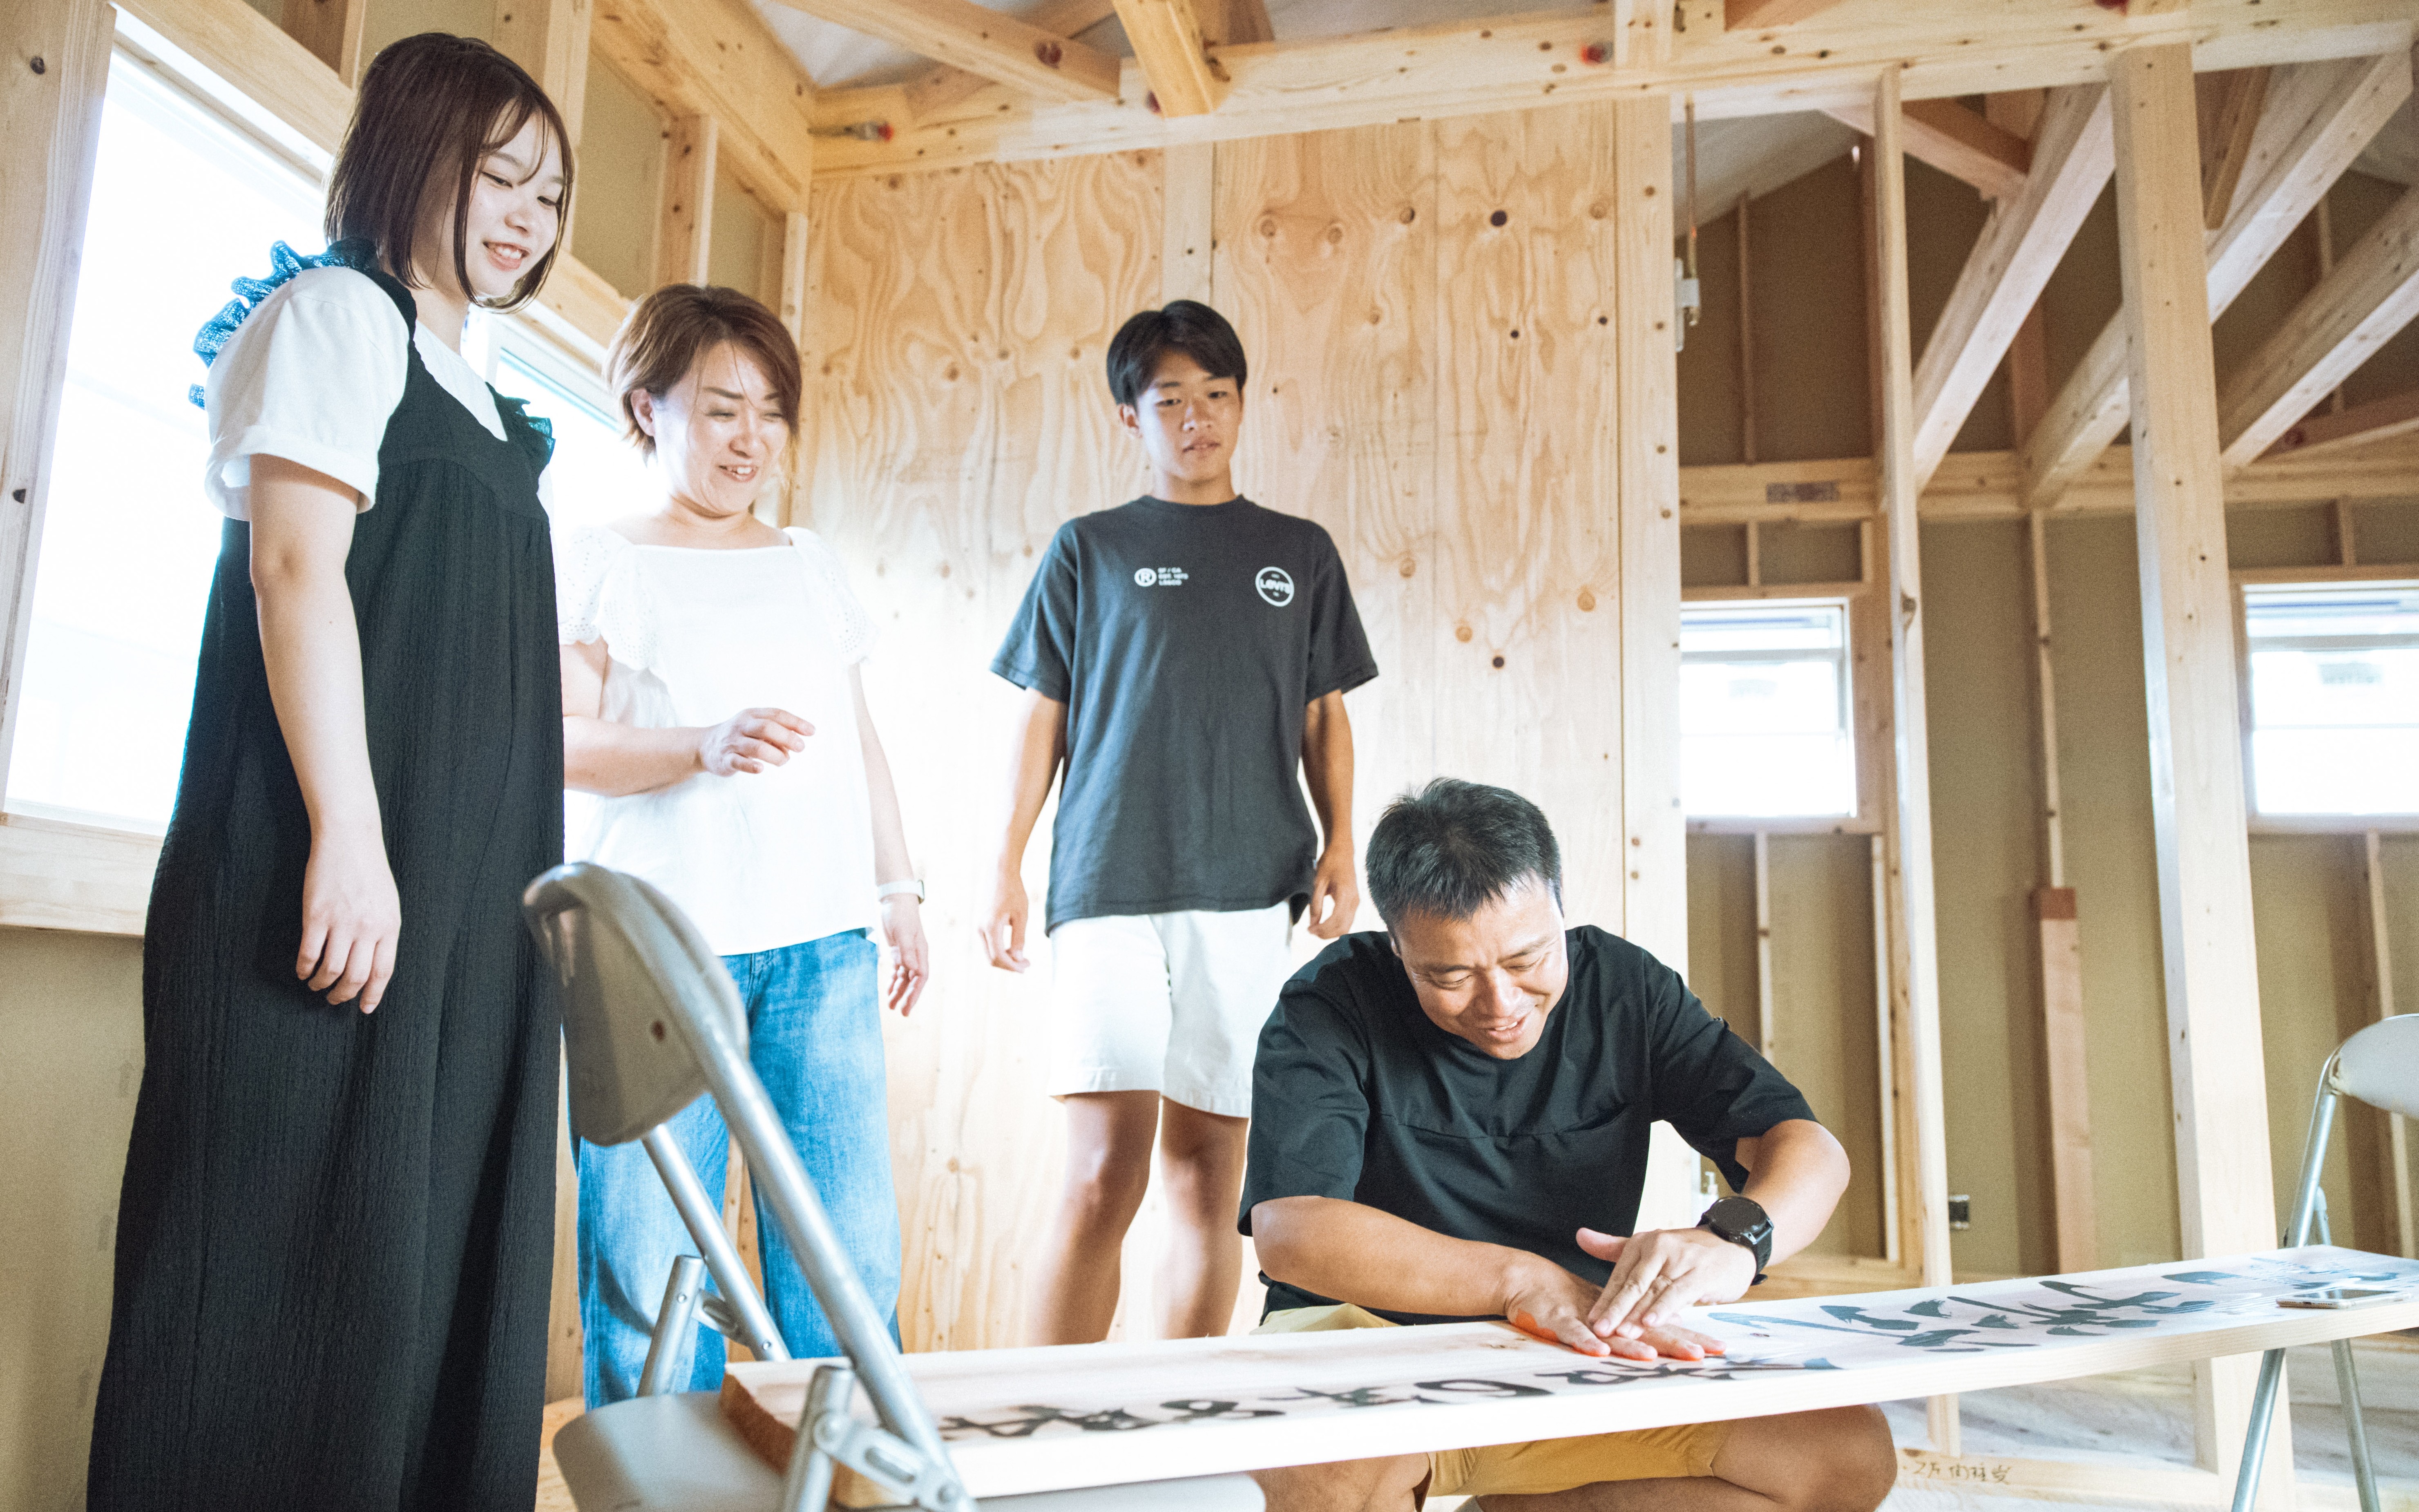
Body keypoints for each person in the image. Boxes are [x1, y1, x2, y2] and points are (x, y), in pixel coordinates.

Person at [89, 34, 572, 1511]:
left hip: (476, 903)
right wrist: (352, 838)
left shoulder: (494, 402)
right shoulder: (332, 316)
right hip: (331, 867)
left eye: (551, 195)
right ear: (410, 150)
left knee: (429, 1262)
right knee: (276, 1257)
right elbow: (295, 576)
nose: (529, 217)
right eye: (500, 176)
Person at [1241, 779, 1900, 1512]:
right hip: (1365, 1336)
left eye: (1528, 959)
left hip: (1574, 1346)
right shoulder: (1329, 1002)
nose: (1501, 1006)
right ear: (1396, 946)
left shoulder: (1624, 988)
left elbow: (1804, 1146)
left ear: (1559, 906)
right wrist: (1518, 1280)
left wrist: (1735, 1241)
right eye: (1450, 975)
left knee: (1844, 1454)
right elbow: (1292, 1230)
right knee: (1328, 1474)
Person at [555, 282, 927, 1401]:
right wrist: (698, 744)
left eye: (771, 411)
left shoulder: (808, 558)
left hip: (822, 947)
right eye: (722, 409)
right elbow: (557, 742)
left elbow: (857, 737)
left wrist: (899, 887)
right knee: (653, 1267)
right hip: (660, 955)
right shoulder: (602, 555)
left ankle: (853, 1477)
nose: (751, 438)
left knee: (845, 1263)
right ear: (647, 405)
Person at [981, 299, 1378, 1344]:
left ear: (1242, 404)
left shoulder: (1300, 551)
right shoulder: (1090, 549)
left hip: (1252, 887)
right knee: (1101, 1171)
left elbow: (1323, 714)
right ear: (1131, 418)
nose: (1197, 417)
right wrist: (1005, 868)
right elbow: (1044, 717)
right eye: (1171, 400)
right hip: (1108, 883)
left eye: (1217, 395)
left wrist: (1342, 843)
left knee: (1208, 1179)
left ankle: (1181, 1412)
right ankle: (1046, 1426)